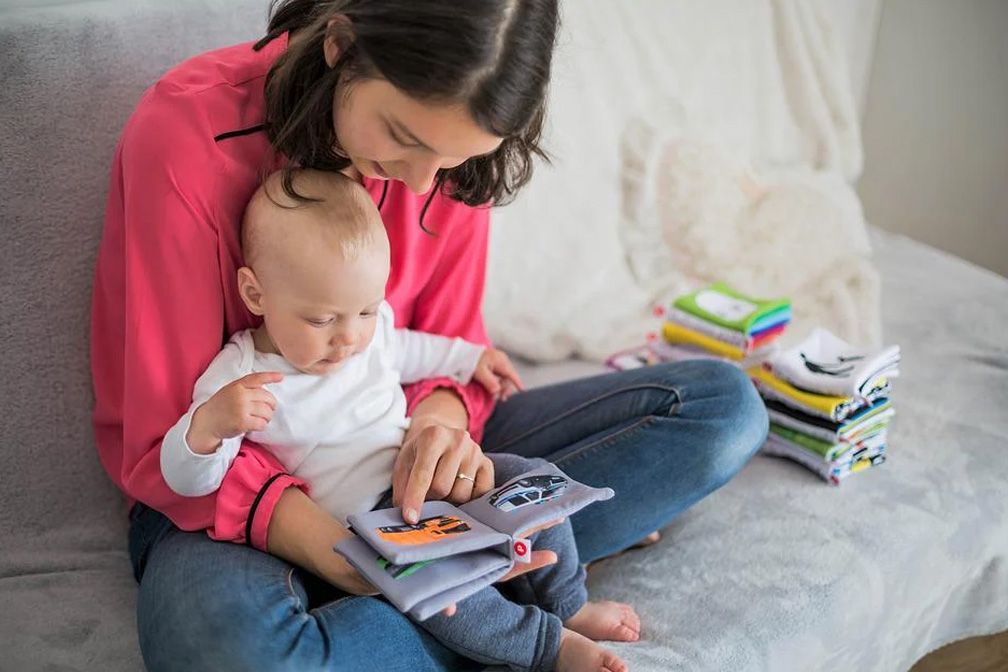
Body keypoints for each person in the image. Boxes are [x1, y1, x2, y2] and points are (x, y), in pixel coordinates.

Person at [90, 1, 768, 670]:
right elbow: (171, 439)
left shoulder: (446, 161)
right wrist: (336, 549)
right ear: (341, 44)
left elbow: (446, 349)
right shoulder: (185, 137)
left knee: (723, 410)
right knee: (232, 656)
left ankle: (461, 594)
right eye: (404, 137)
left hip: (401, 470)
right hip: (225, 500)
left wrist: (439, 432)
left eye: (454, 158)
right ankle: (492, 607)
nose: (422, 183)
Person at [159, 168, 639, 672]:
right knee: (445, 592)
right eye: (321, 320)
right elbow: (187, 481)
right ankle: (547, 646)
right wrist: (209, 427)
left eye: (365, 312)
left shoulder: (367, 329)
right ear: (256, 295)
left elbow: (408, 349)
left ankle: (569, 603)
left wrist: (467, 357)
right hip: (374, 524)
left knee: (531, 478)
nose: (348, 339)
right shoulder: (242, 374)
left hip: (427, 474)